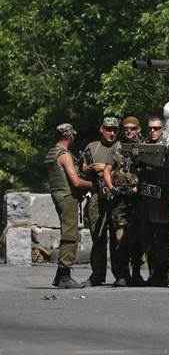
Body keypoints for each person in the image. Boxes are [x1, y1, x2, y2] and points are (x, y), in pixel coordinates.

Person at [139, 116, 169, 286]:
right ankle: (154, 274)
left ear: (163, 129)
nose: (153, 131)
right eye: (151, 128)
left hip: (168, 199)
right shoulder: (143, 148)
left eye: (157, 128)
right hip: (149, 199)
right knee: (151, 238)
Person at [45, 123, 93, 288]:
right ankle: (65, 275)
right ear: (68, 136)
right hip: (67, 197)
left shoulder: (53, 152)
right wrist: (94, 185)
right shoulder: (64, 155)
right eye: (73, 134)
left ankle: (59, 276)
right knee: (70, 235)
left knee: (68, 232)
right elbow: (76, 182)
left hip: (58, 194)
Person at [103, 116, 142, 286]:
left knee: (138, 236)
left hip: (138, 198)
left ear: (138, 129)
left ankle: (137, 274)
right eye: (126, 128)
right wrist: (111, 187)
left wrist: (139, 187)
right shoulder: (117, 147)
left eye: (133, 128)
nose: (129, 131)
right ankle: (122, 274)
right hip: (120, 198)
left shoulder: (144, 147)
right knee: (119, 236)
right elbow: (107, 169)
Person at [80, 117, 119, 286]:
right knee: (98, 236)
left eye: (115, 130)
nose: (112, 133)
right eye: (108, 129)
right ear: (101, 129)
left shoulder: (121, 147)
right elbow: (83, 169)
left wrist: (104, 167)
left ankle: (121, 274)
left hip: (117, 196)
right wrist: (89, 168)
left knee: (119, 237)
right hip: (97, 195)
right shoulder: (92, 147)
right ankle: (97, 274)